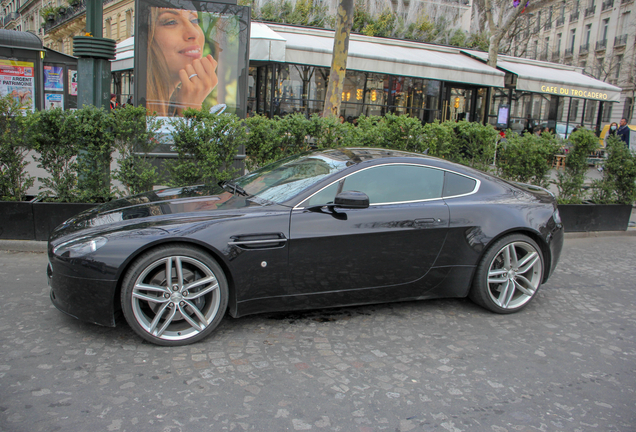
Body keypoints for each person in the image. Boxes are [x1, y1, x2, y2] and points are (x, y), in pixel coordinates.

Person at [146, 8, 218, 117]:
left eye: (194, 21)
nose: (195, 33)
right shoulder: (141, 113)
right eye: (171, 22)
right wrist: (191, 110)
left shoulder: (173, 104)